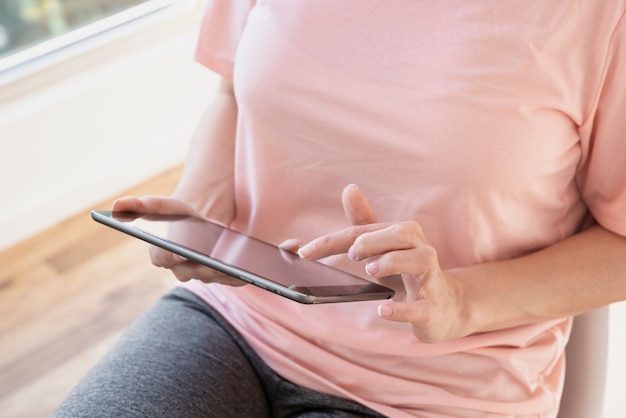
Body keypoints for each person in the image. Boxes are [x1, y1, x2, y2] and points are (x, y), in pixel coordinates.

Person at [53, 1, 626, 417]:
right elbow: (231, 89)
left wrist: (458, 301)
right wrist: (204, 204)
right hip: (237, 315)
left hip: (437, 388)